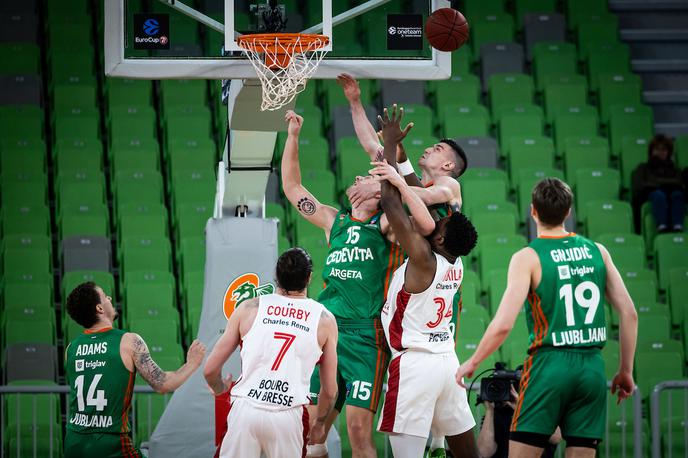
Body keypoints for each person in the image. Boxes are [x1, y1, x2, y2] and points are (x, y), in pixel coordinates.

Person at [281, 110, 436, 458]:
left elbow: (418, 214)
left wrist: (391, 168)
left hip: (367, 338)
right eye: (360, 177)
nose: (359, 179)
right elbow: (292, 188)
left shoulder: (386, 226)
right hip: (327, 334)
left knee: (358, 434)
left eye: (368, 178)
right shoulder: (334, 221)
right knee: (312, 429)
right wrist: (292, 137)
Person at [455, 177, 638, 458]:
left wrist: (473, 361)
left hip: (549, 366)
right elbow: (629, 314)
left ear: (533, 211)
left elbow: (503, 324)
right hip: (591, 368)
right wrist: (625, 371)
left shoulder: (528, 257)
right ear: (568, 212)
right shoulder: (598, 251)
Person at [371, 105, 480, 458]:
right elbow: (426, 208)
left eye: (440, 227)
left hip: (414, 364)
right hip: (448, 362)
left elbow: (391, 201)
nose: (434, 224)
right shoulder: (456, 264)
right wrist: (401, 161)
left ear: (441, 240)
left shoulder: (421, 257)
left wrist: (388, 145)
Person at [203, 248, 339, 457]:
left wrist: (220, 388)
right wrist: (320, 423)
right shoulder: (324, 320)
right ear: (309, 278)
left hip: (246, 409)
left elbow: (210, 370)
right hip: (288, 415)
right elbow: (330, 391)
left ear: (276, 275)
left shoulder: (249, 307)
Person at [63, 282, 206, 458]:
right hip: (110, 443)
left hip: (73, 442)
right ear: (99, 308)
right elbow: (163, 384)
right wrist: (192, 363)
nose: (109, 298)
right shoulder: (128, 342)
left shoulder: (71, 348)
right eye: (104, 296)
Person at [338, 73, 466, 215]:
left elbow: (428, 197)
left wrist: (376, 189)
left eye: (438, 149)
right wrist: (355, 101)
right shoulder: (406, 180)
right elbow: (371, 144)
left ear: (448, 165)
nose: (429, 149)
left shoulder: (450, 184)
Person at [476, 384, 561, 458]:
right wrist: (489, 410)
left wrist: (522, 408)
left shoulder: (540, 409)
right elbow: (484, 452)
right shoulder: (496, 415)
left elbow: (556, 438)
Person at [631, 134, 685, 233]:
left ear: (669, 152)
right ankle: (662, 226)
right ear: (651, 151)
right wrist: (663, 185)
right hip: (652, 195)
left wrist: (658, 183)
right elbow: (640, 186)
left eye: (664, 149)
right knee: (659, 195)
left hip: (672, 194)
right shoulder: (643, 168)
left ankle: (678, 226)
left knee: (678, 195)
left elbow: (680, 183)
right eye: (657, 149)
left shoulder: (674, 169)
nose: (660, 152)